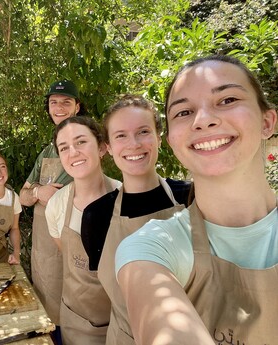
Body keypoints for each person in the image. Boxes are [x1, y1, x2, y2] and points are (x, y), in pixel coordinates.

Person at [116, 55, 278, 344]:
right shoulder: (150, 247)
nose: (203, 120)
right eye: (184, 112)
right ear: (173, 143)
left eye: (227, 100)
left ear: (268, 121)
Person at [81, 95, 191, 344]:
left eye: (143, 131)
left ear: (159, 139)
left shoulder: (192, 197)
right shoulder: (96, 215)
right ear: (108, 147)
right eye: (120, 135)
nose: (133, 144)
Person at [45, 116, 122, 344]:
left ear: (101, 148)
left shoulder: (126, 196)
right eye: (64, 147)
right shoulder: (56, 205)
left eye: (81, 142)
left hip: (124, 323)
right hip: (76, 323)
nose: (73, 152)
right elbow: (69, 256)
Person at [19, 80, 86, 333]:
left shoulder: (84, 145)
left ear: (77, 107)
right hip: (42, 246)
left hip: (72, 244)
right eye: (53, 102)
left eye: (66, 102)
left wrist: (46, 196)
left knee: (73, 316)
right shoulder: (47, 151)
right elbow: (22, 196)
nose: (59, 107)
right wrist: (39, 191)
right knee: (46, 313)